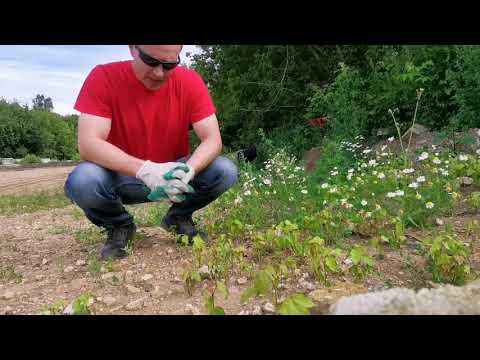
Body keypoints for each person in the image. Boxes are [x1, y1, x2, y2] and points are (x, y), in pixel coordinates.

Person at [64, 45, 239, 260]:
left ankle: (178, 216)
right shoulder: (104, 77)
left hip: (173, 175)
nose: (159, 73)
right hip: (121, 176)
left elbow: (212, 139)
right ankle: (120, 225)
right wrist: (146, 170)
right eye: (151, 61)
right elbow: (89, 144)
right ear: (133, 49)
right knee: (83, 181)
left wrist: (189, 170)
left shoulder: (190, 81)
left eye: (169, 65)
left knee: (225, 170)